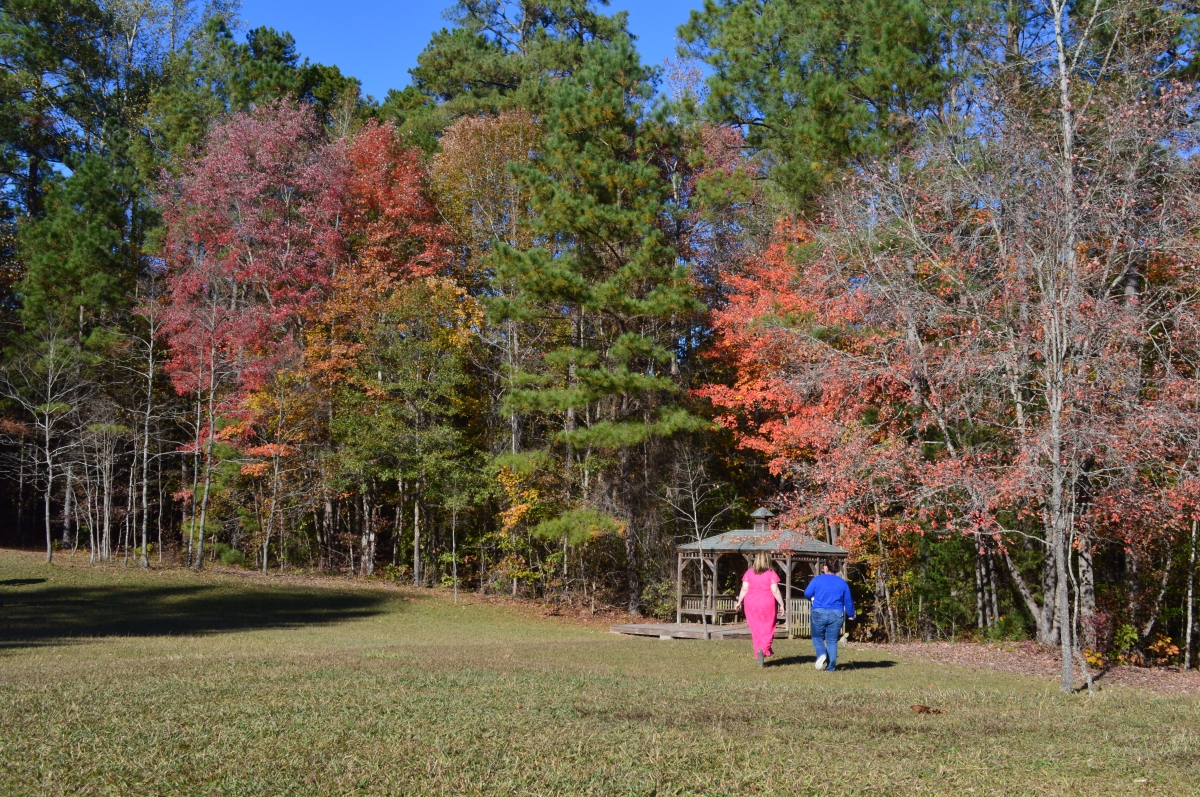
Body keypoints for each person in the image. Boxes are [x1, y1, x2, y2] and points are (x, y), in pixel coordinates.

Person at [734, 551, 785, 667]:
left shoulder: (749, 573)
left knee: (756, 629)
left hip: (751, 604)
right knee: (768, 627)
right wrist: (781, 604)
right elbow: (775, 590)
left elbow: (744, 589)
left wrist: (739, 602)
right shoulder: (771, 573)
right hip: (767, 603)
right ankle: (764, 648)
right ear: (767, 560)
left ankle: (758, 650)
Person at [804, 558, 855, 672]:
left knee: (817, 637)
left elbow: (807, 593)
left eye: (824, 565)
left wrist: (811, 598)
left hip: (819, 612)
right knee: (832, 640)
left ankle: (821, 653)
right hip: (837, 614)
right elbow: (848, 600)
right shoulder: (842, 583)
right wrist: (851, 614)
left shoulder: (817, 580)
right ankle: (831, 667)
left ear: (826, 567)